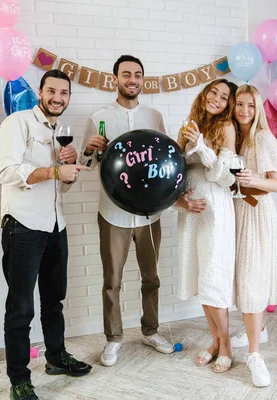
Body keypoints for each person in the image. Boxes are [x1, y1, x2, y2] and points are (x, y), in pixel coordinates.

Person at [0, 69, 92, 400]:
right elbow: (6, 172)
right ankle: (19, 379)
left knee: (55, 301)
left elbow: (61, 186)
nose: (58, 97)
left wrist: (68, 172)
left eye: (64, 93)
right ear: (40, 92)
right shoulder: (17, 123)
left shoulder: (59, 131)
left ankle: (56, 358)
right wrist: (53, 169)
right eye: (52, 91)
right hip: (22, 226)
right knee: (20, 308)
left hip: (55, 225)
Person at [79, 55, 172, 368]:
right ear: (114, 79)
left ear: (142, 80)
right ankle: (113, 338)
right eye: (126, 74)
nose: (132, 79)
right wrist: (90, 150)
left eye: (137, 74)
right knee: (112, 282)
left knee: (152, 277)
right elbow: (87, 164)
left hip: (150, 216)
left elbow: (164, 163)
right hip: (113, 214)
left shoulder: (155, 116)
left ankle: (151, 330)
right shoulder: (99, 117)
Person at [175, 78, 238, 373]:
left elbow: (224, 177)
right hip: (193, 210)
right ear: (204, 94)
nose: (216, 98)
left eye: (224, 97)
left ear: (228, 104)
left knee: (214, 279)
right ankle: (214, 341)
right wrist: (182, 198)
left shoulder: (226, 129)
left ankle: (226, 346)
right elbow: (176, 170)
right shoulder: (187, 126)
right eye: (213, 92)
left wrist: (201, 146)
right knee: (202, 279)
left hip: (215, 207)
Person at [229, 84, 277, 387]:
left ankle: (254, 355)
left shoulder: (262, 138)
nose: (245, 111)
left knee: (252, 279)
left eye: (251, 105)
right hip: (237, 212)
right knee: (242, 277)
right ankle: (255, 329)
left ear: (258, 108)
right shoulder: (235, 138)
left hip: (257, 212)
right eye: (240, 104)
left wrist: (256, 179)